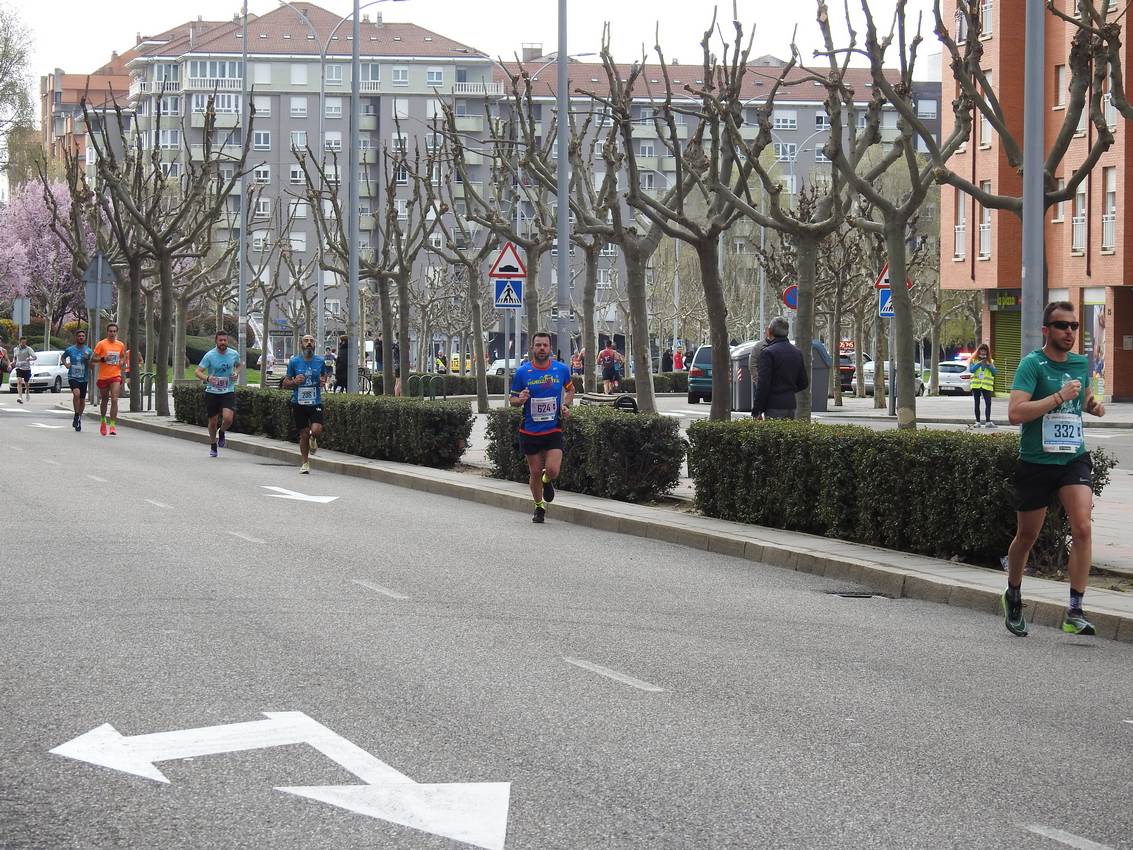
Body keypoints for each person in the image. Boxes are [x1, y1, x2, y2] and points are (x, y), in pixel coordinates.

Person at [1002, 302, 1106, 638]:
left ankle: (1075, 610)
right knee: (1027, 536)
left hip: (1072, 457)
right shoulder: (1032, 365)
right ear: (1046, 330)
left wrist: (1092, 404)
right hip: (1036, 460)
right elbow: (1015, 413)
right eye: (1062, 326)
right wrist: (1058, 397)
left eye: (1075, 326)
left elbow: (1084, 399)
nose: (1070, 332)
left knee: (1083, 527)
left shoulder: (1079, 363)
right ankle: (1014, 594)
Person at [510, 331, 575, 524]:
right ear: (532, 348)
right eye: (538, 345)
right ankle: (539, 507)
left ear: (550, 348)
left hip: (553, 428)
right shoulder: (522, 372)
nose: (541, 349)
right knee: (535, 472)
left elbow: (570, 389)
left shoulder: (561, 369)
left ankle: (548, 482)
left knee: (552, 470)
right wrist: (519, 399)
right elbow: (512, 399)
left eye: (545, 345)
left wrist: (566, 404)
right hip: (530, 430)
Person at [194, 330, 242, 457]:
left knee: (228, 418)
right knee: (213, 421)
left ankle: (222, 432)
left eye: (225, 340)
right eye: (220, 340)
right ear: (216, 341)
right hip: (212, 391)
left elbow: (239, 365)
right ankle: (213, 445)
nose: (223, 343)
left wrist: (236, 373)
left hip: (228, 390)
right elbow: (197, 371)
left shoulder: (233, 354)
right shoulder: (210, 355)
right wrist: (208, 378)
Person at [284, 334, 326, 474]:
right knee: (303, 434)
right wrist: (294, 382)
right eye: (306, 341)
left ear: (315, 345)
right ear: (301, 344)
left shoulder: (320, 361)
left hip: (315, 402)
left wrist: (323, 381)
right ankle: (305, 463)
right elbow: (285, 383)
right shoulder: (294, 362)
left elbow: (324, 377)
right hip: (299, 402)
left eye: (311, 341)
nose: (309, 343)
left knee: (316, 430)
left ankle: (313, 438)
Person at [752, 317, 808, 420]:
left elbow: (763, 384)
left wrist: (757, 410)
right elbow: (803, 382)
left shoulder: (768, 353)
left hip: (773, 405)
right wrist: (789, 390)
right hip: (790, 404)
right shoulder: (797, 352)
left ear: (769, 332)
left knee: (773, 435)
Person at [91, 324, 126, 433]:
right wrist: (103, 359)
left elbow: (123, 356)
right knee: (105, 400)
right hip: (103, 377)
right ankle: (103, 421)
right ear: (107, 332)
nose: (112, 333)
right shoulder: (101, 344)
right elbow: (93, 359)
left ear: (117, 332)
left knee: (114, 399)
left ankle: (112, 425)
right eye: (110, 331)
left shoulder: (120, 345)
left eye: (114, 331)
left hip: (115, 375)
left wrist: (121, 362)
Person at [61, 329, 93, 432]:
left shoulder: (88, 351)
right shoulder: (70, 350)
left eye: (83, 336)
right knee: (76, 394)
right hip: (73, 377)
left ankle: (78, 417)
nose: (81, 337)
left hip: (84, 378)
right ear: (76, 337)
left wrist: (88, 360)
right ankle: (76, 414)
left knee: (82, 400)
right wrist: (66, 364)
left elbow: (92, 366)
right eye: (79, 336)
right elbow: (63, 357)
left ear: (85, 338)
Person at [968, 343, 997, 428]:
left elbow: (995, 373)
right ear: (979, 351)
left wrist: (989, 365)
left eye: (985, 350)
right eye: (981, 350)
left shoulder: (991, 361)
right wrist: (979, 363)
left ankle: (988, 422)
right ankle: (978, 422)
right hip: (976, 385)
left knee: (988, 403)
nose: (983, 352)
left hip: (986, 386)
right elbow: (972, 370)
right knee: (977, 403)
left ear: (987, 352)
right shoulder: (973, 360)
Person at [12, 337, 35, 404]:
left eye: (25, 342)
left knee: (26, 383)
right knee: (19, 381)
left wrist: (29, 359)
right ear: (19, 342)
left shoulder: (29, 349)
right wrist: (13, 361)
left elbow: (35, 357)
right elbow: (15, 357)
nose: (24, 344)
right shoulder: (15, 349)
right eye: (22, 342)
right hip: (18, 367)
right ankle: (20, 397)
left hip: (26, 368)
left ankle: (27, 391)